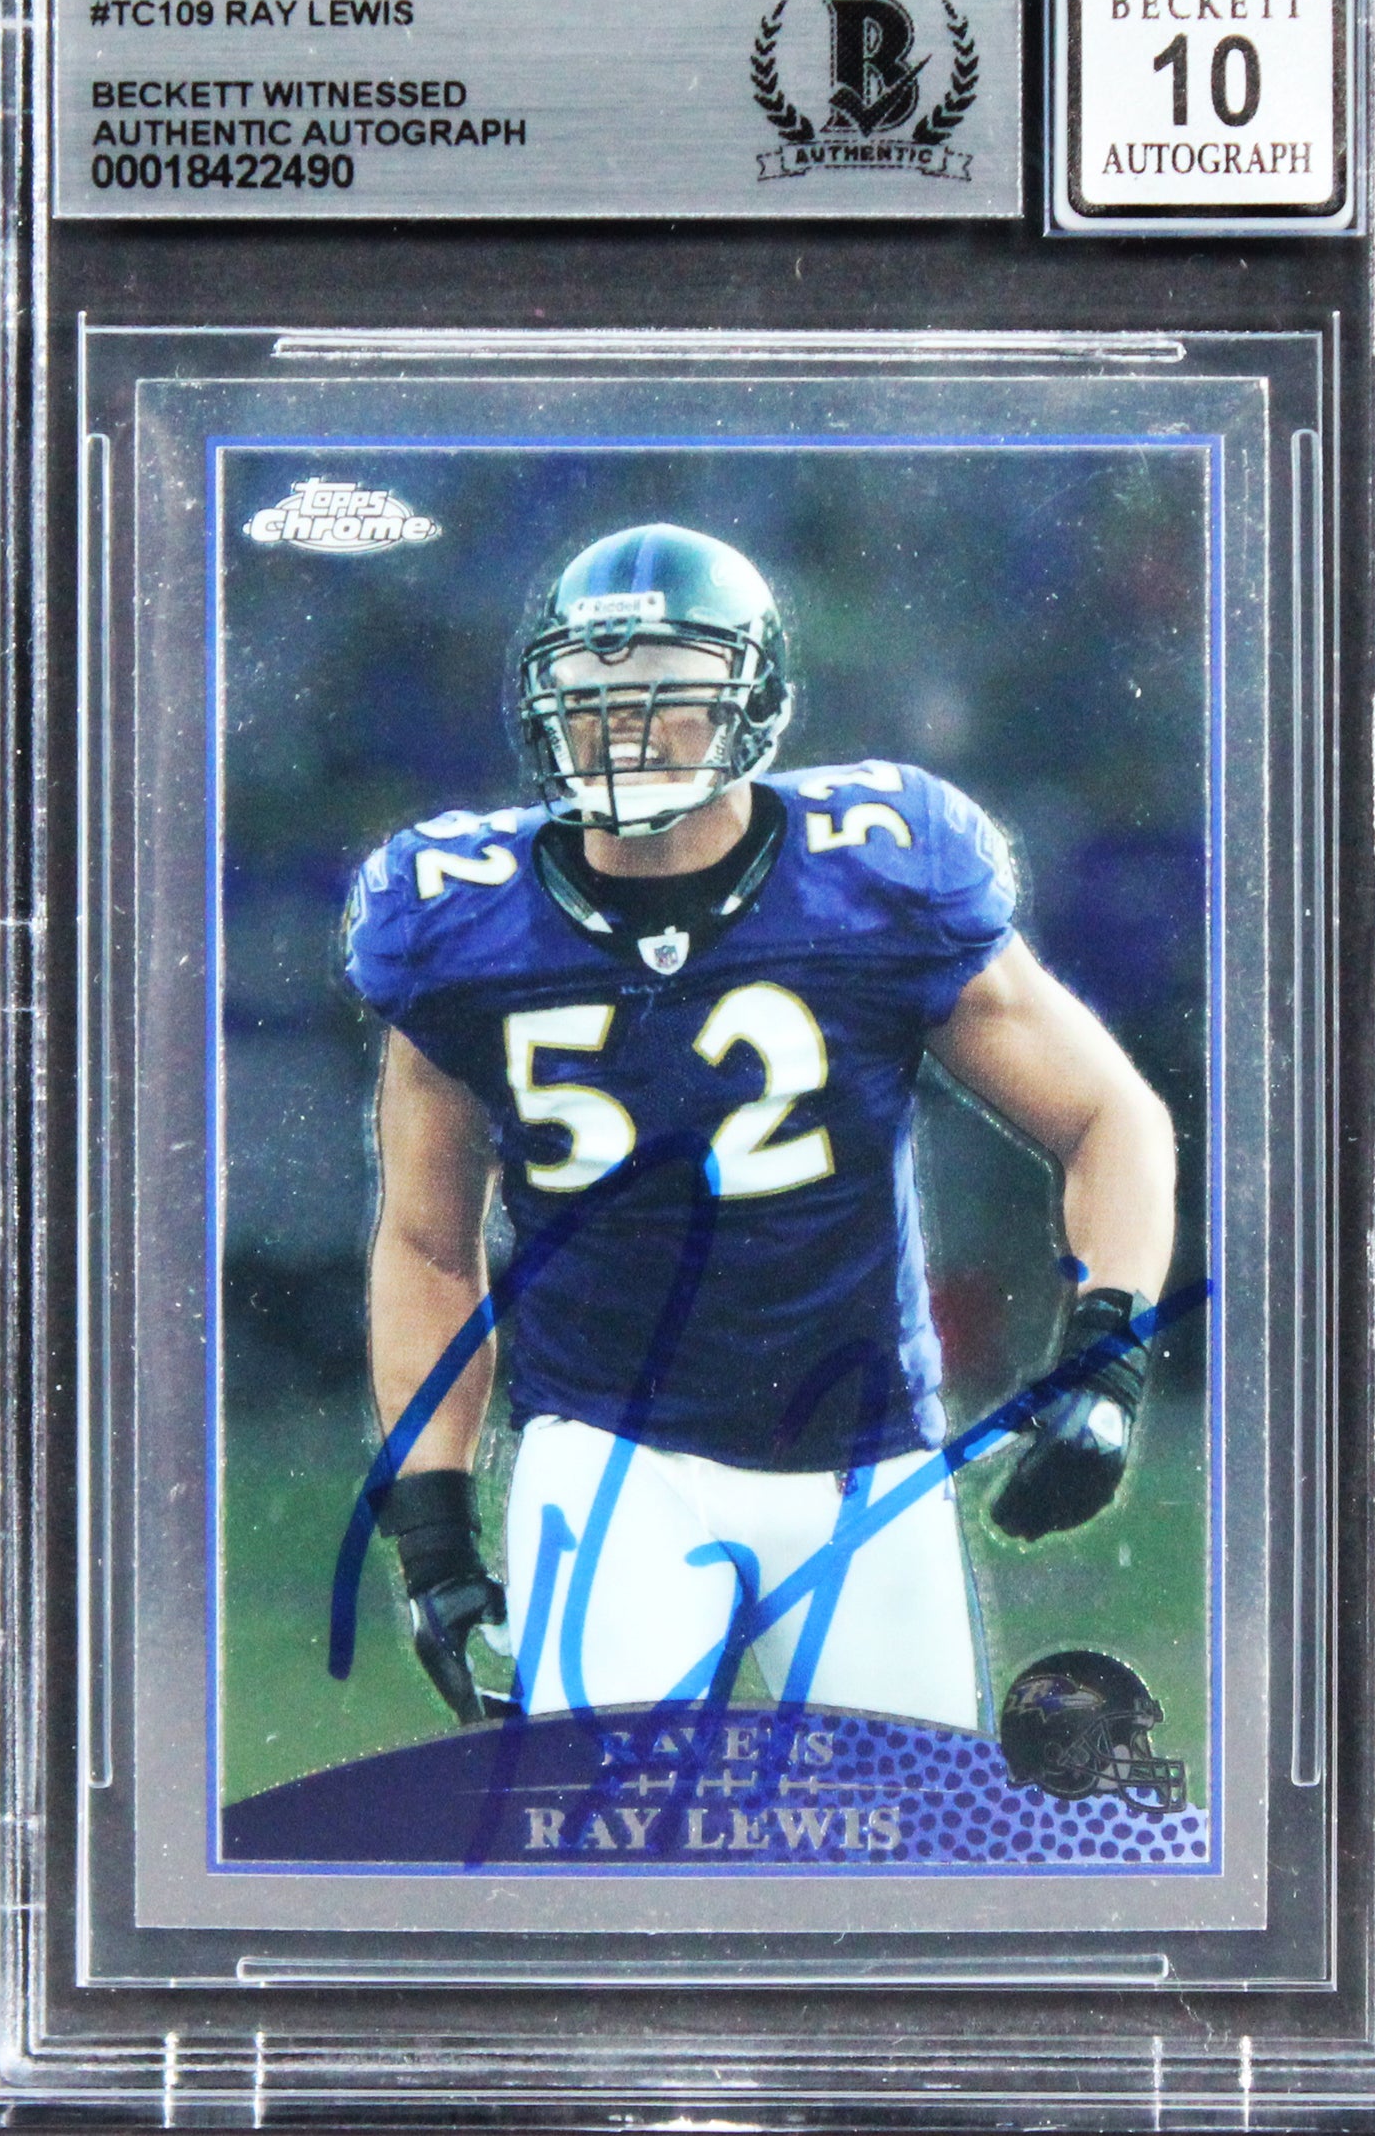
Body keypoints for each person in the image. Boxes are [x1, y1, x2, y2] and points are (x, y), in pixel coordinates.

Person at [345, 523, 1176, 1731]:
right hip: (609, 1452)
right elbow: (427, 1243)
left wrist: (1105, 1360)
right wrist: (431, 1530)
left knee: (910, 1840)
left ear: (754, 702)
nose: (622, 723)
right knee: (606, 1835)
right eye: (590, 689)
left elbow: (1108, 1115)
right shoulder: (459, 924)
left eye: (666, 685)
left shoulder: (875, 874)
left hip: (862, 1454)